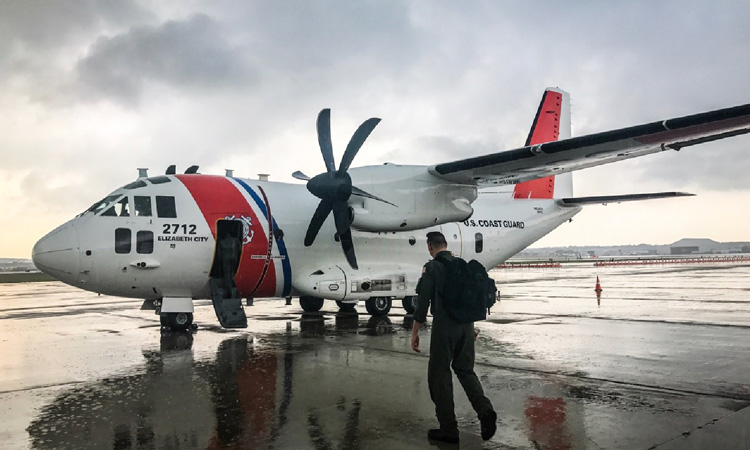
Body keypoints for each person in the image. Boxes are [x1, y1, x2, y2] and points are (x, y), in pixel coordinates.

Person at [411, 231, 497, 444]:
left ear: (430, 246)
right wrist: (471, 329)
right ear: (446, 245)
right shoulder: (462, 265)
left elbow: (422, 303)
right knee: (465, 370)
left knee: (439, 376)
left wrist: (415, 331)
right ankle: (485, 411)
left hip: (445, 327)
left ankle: (448, 429)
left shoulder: (432, 268)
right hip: (466, 326)